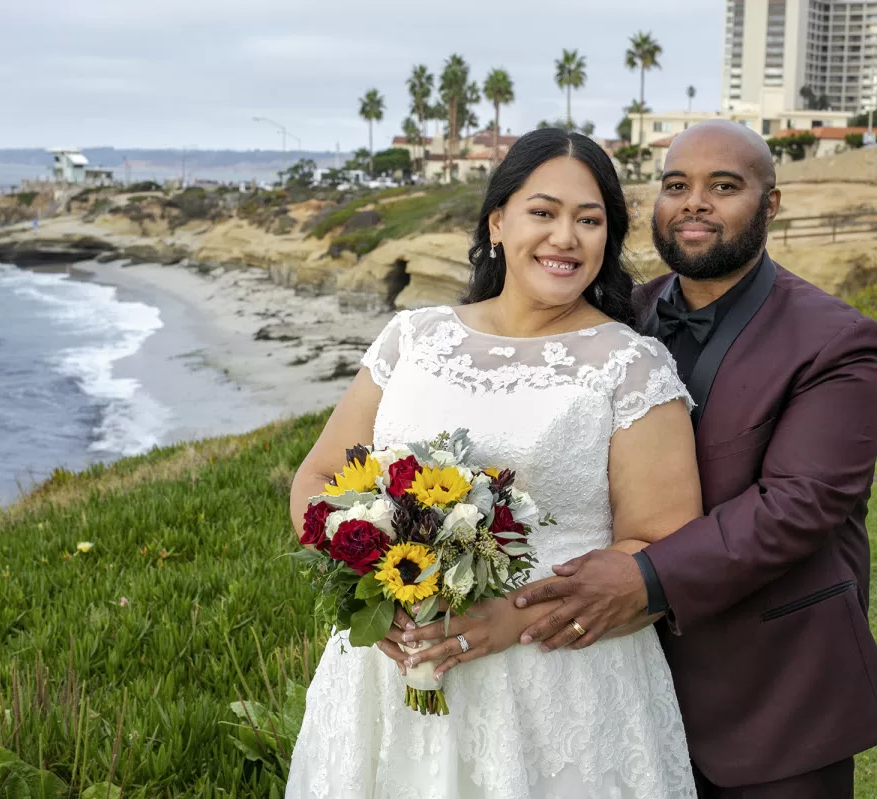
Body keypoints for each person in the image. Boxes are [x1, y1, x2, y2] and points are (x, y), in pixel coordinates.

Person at [284, 128, 702, 798]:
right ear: (498, 221)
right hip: (388, 671)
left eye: (589, 221)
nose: (565, 237)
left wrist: (512, 617)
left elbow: (663, 545)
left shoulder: (631, 366)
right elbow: (319, 478)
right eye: (543, 212)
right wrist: (370, 590)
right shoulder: (413, 338)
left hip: (556, 682)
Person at [511, 120, 877, 798]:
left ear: (770, 204)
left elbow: (798, 505)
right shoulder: (617, 321)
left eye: (723, 186)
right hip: (619, 683)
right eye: (676, 185)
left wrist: (644, 576)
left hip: (775, 695)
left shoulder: (837, 341)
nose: (694, 202)